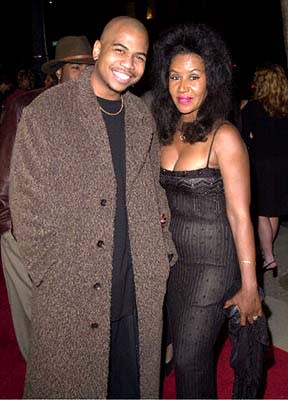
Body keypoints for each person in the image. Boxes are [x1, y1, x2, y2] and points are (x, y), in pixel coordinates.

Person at [9, 16, 176, 399]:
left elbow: (152, 186)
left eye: (139, 56)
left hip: (137, 283)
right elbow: (26, 202)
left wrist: (161, 245)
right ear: (98, 51)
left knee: (129, 384)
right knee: (74, 385)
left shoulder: (139, 116)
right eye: (120, 50)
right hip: (73, 287)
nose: (128, 64)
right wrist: (50, 271)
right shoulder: (48, 112)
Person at [151, 23, 262, 398]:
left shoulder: (224, 136)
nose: (183, 88)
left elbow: (240, 215)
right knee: (177, 351)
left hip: (215, 264)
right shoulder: (162, 132)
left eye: (194, 77)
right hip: (173, 262)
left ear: (210, 80)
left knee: (188, 358)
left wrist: (250, 285)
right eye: (175, 77)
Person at [0, 35, 94, 362]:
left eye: (90, 67)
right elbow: (6, 171)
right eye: (76, 67)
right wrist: (9, 228)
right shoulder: (25, 105)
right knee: (34, 318)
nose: (84, 74)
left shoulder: (94, 110)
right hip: (24, 229)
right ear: (58, 72)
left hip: (68, 233)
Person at [241, 64, 288, 277]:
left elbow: (246, 138)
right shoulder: (286, 107)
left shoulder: (252, 108)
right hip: (283, 165)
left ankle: (268, 256)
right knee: (273, 210)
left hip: (262, 165)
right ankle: (267, 249)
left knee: (261, 211)